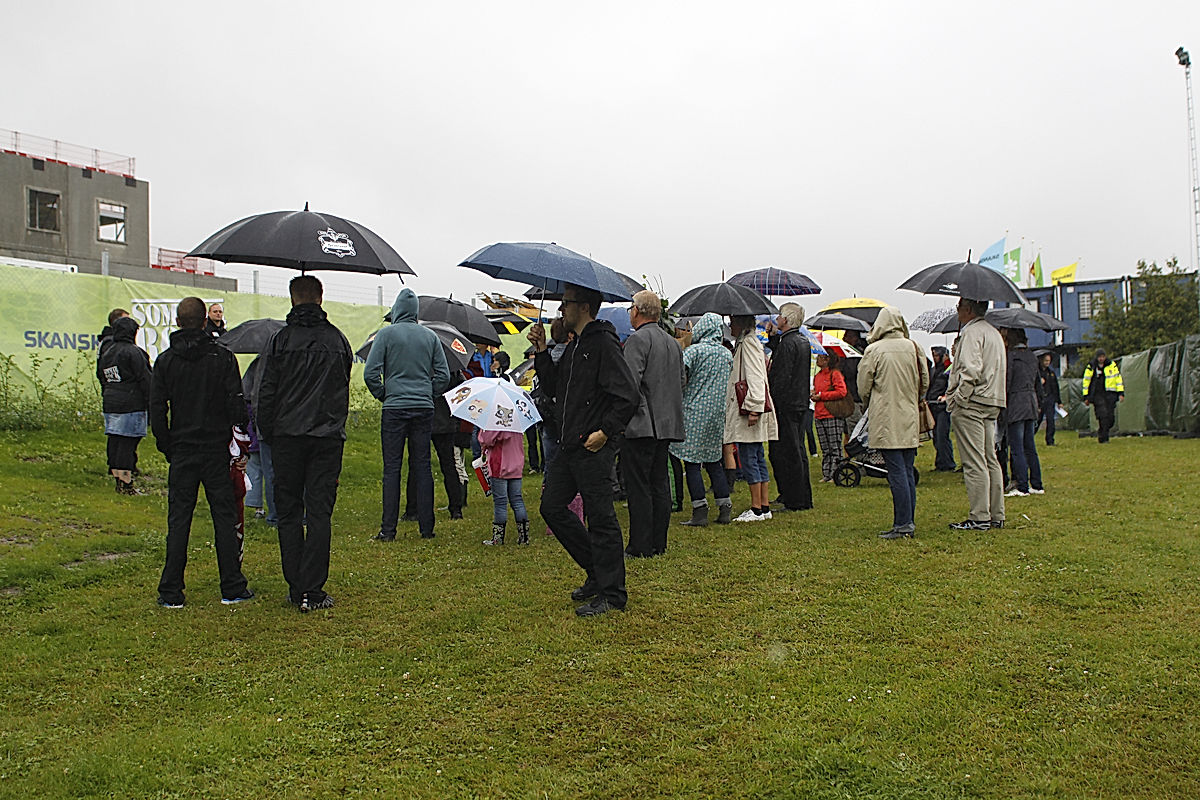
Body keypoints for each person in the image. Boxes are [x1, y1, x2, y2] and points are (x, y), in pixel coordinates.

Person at [528, 283, 639, 617]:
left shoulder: (604, 344)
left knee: (601, 518)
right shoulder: (577, 346)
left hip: (591, 445)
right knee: (551, 507)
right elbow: (553, 387)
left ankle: (613, 594)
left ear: (585, 307)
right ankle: (596, 570)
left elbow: (627, 395)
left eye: (567, 303)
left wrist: (605, 432)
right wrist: (542, 351)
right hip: (569, 443)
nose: (562, 309)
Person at [258, 276, 353, 613]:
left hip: (287, 437)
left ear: (293, 299)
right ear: (321, 298)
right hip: (325, 437)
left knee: (288, 512)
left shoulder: (280, 341)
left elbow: (266, 391)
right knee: (319, 512)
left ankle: (296, 585)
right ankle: (312, 588)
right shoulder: (338, 341)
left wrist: (268, 432)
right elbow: (343, 387)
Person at [150, 296, 252, 608]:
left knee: (179, 518)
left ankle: (171, 590)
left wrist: (166, 442)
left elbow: (156, 408)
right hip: (214, 448)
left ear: (178, 323)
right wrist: (235, 436)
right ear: (205, 322)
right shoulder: (222, 358)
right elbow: (236, 404)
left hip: (182, 447)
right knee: (224, 516)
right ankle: (232, 586)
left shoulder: (166, 361)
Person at [364, 288, 451, 541]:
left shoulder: (385, 335)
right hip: (423, 407)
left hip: (394, 407)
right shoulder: (430, 337)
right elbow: (443, 375)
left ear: (396, 310)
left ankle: (388, 530)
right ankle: (426, 528)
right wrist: (427, 393)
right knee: (422, 465)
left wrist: (384, 393)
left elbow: (370, 373)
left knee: (392, 468)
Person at [621, 290, 685, 557]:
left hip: (642, 424)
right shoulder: (672, 342)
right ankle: (659, 542)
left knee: (638, 487)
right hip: (667, 422)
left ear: (637, 311)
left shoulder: (637, 341)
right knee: (659, 483)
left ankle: (640, 545)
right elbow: (682, 381)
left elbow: (628, 385)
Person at [857, 306, 929, 539]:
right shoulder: (913, 347)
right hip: (908, 414)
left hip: (886, 416)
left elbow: (863, 386)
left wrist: (870, 402)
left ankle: (903, 524)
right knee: (906, 469)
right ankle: (908, 520)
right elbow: (924, 381)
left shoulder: (874, 350)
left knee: (896, 471)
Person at [944, 297, 1007, 531]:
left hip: (973, 401)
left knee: (974, 461)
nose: (957, 310)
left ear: (967, 309)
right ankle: (996, 513)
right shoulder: (993, 333)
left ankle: (980, 515)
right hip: (993, 400)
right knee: (990, 458)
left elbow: (971, 370)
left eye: (959, 306)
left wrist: (959, 398)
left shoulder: (971, 333)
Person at [671, 314, 733, 526]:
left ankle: (699, 509)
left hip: (694, 411)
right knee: (714, 461)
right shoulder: (726, 355)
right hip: (717, 413)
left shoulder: (694, 352)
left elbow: (679, 376)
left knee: (692, 462)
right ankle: (724, 506)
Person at [726, 314, 778, 521]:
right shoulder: (749, 342)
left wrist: (754, 407)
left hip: (747, 408)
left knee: (750, 457)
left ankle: (757, 507)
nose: (730, 325)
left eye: (732, 321)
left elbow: (755, 375)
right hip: (750, 406)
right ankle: (764, 506)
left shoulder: (747, 343)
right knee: (757, 456)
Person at [766, 303, 813, 512]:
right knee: (797, 450)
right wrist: (774, 337)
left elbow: (781, 376)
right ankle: (801, 495)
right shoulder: (801, 341)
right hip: (800, 402)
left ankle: (793, 498)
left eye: (780, 316)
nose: (777, 318)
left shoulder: (789, 343)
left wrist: (772, 398)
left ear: (786, 319)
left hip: (786, 404)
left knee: (787, 452)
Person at [98, 315, 152, 494]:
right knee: (128, 443)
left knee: (115, 439)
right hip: (131, 403)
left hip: (111, 400)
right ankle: (125, 482)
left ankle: (116, 475)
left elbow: (101, 376)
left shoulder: (107, 351)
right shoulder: (134, 352)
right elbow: (145, 379)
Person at [479, 426, 530, 545]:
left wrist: (482, 433)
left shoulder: (496, 421)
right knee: (517, 500)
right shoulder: (517, 421)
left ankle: (498, 538)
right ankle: (524, 536)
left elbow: (486, 439)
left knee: (500, 502)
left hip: (500, 464)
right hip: (516, 464)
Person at [811, 351, 848, 483]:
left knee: (835, 446)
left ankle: (836, 473)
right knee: (825, 447)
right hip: (819, 414)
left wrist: (822, 396)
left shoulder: (835, 374)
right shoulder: (817, 376)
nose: (817, 359)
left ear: (827, 359)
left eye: (820, 357)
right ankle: (827, 473)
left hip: (832, 414)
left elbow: (842, 391)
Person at [1083, 349, 1124, 443]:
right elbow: (1086, 381)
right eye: (1099, 357)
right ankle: (1104, 438)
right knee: (1103, 415)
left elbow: (1118, 379)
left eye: (1103, 357)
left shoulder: (1112, 365)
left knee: (1110, 418)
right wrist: (1086, 396)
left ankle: (1102, 431)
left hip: (1110, 394)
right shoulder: (1091, 366)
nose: (1101, 359)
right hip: (1097, 394)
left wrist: (1121, 393)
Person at [927, 346, 956, 471]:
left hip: (944, 407)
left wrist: (945, 396)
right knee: (936, 437)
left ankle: (948, 463)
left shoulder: (949, 369)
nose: (934, 357)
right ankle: (940, 462)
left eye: (936, 355)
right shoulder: (933, 370)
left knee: (942, 435)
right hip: (933, 405)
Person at [1036, 350, 1062, 446]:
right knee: (1037, 421)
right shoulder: (1037, 373)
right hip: (1040, 400)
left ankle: (1050, 440)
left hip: (1050, 399)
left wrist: (1059, 401)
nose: (1047, 363)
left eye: (1049, 361)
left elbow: (1055, 388)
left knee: (1051, 421)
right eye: (1046, 360)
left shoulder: (1051, 373)